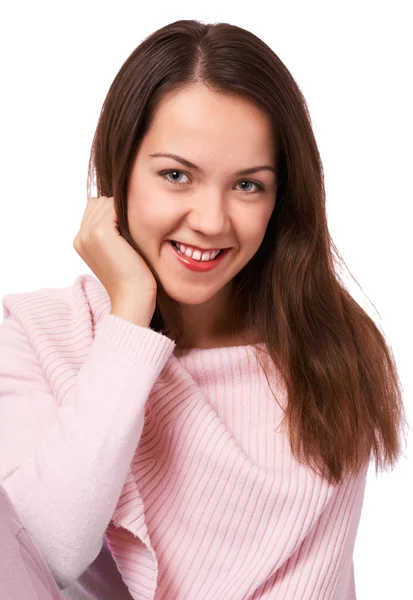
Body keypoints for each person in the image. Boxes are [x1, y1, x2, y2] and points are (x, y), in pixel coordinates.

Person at [0, 19, 408, 600]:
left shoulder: (330, 352)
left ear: (282, 196)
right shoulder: (38, 333)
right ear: (121, 169)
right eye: (175, 175)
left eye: (248, 186)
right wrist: (130, 320)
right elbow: (39, 556)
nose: (212, 221)